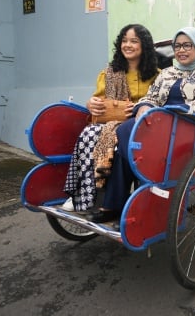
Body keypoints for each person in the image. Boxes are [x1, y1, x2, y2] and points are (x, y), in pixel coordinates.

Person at [89, 26, 195, 222]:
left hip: (190, 126)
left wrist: (175, 112)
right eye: (177, 46)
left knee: (128, 137)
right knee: (126, 130)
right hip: (161, 122)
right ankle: (120, 201)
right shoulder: (168, 72)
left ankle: (134, 192)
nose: (181, 50)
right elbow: (151, 96)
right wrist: (143, 106)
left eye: (187, 45)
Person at [61, 24, 159, 213]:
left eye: (134, 41)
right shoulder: (109, 73)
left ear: (144, 46)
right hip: (110, 122)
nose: (127, 45)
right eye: (124, 41)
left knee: (120, 139)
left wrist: (139, 108)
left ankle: (118, 199)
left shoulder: (158, 76)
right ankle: (83, 195)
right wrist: (92, 103)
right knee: (89, 134)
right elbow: (98, 101)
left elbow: (159, 103)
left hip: (141, 127)